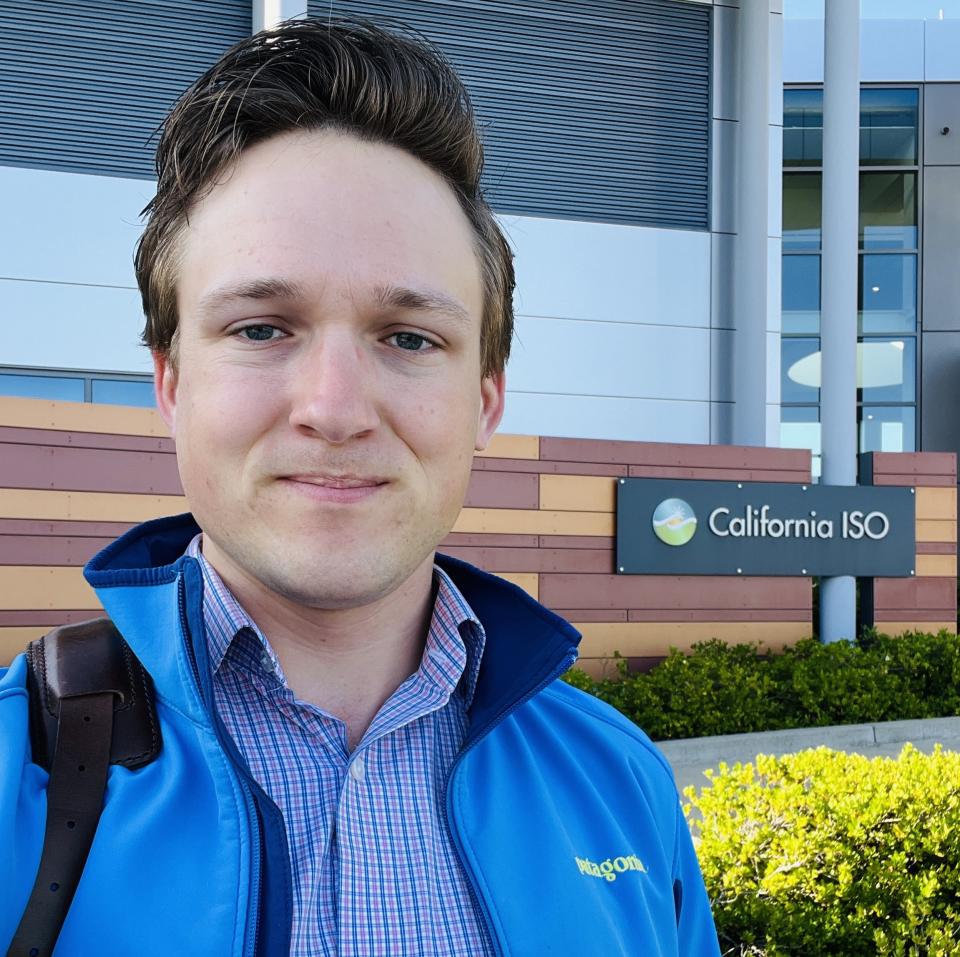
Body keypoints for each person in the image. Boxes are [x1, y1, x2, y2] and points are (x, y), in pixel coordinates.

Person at [0, 17, 720, 957]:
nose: (335, 408)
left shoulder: (622, 781)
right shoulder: (17, 777)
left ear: (483, 400)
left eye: (409, 338)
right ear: (171, 381)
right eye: (262, 328)